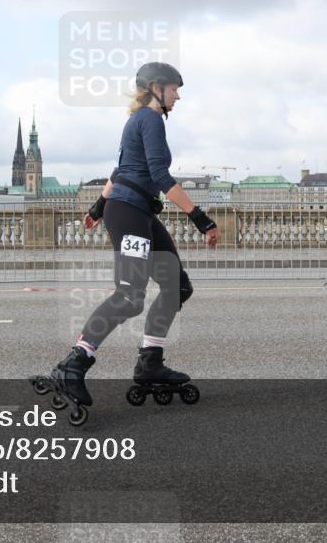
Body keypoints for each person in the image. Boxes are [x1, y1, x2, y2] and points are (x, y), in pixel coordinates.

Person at [48, 61, 221, 412]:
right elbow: (159, 174)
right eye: (175, 89)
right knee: (130, 296)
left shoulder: (138, 120)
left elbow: (120, 169)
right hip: (128, 212)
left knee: (176, 286)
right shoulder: (150, 118)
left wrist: (97, 206)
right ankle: (74, 363)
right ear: (156, 87)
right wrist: (200, 218)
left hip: (137, 210)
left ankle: (150, 362)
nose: (178, 96)